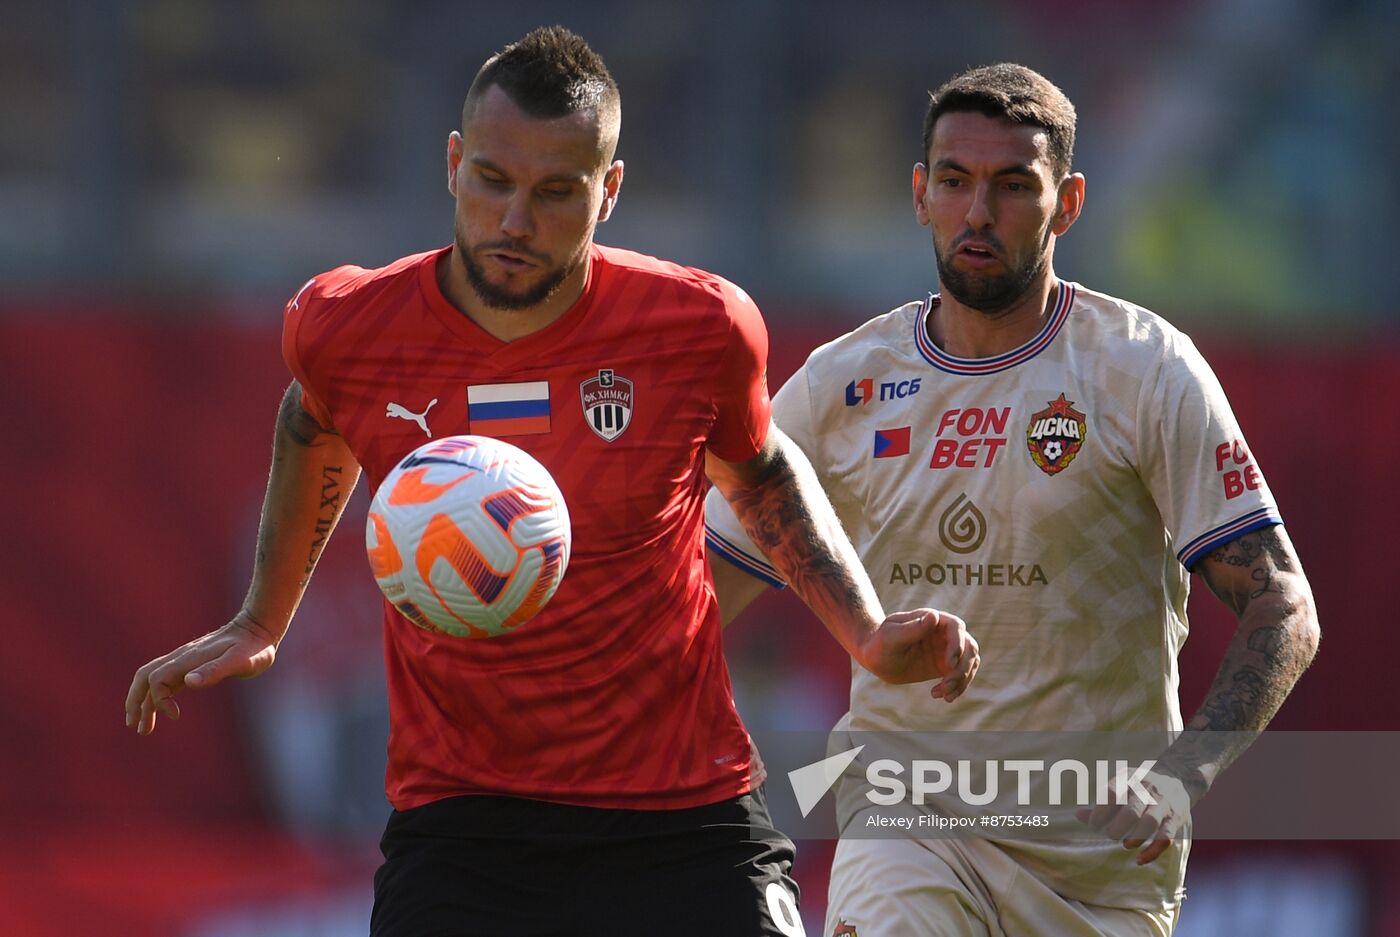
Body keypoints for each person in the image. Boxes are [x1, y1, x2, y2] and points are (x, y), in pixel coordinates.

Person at [123, 27, 979, 937]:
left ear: (609, 191)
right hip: (463, 824)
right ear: (453, 165)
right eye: (493, 180)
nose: (515, 222)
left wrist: (868, 631)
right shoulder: (347, 326)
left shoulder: (698, 326)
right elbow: (313, 419)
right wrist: (265, 617)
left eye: (556, 192)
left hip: (682, 813)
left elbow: (762, 474)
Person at [704, 63, 1319, 936]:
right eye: (954, 181)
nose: (977, 213)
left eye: (1012, 186)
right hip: (908, 827)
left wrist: (1184, 775)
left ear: (1066, 203)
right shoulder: (843, 384)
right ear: (920, 193)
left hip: (1100, 871)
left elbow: (1282, 603)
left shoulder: (1145, 369)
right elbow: (697, 592)